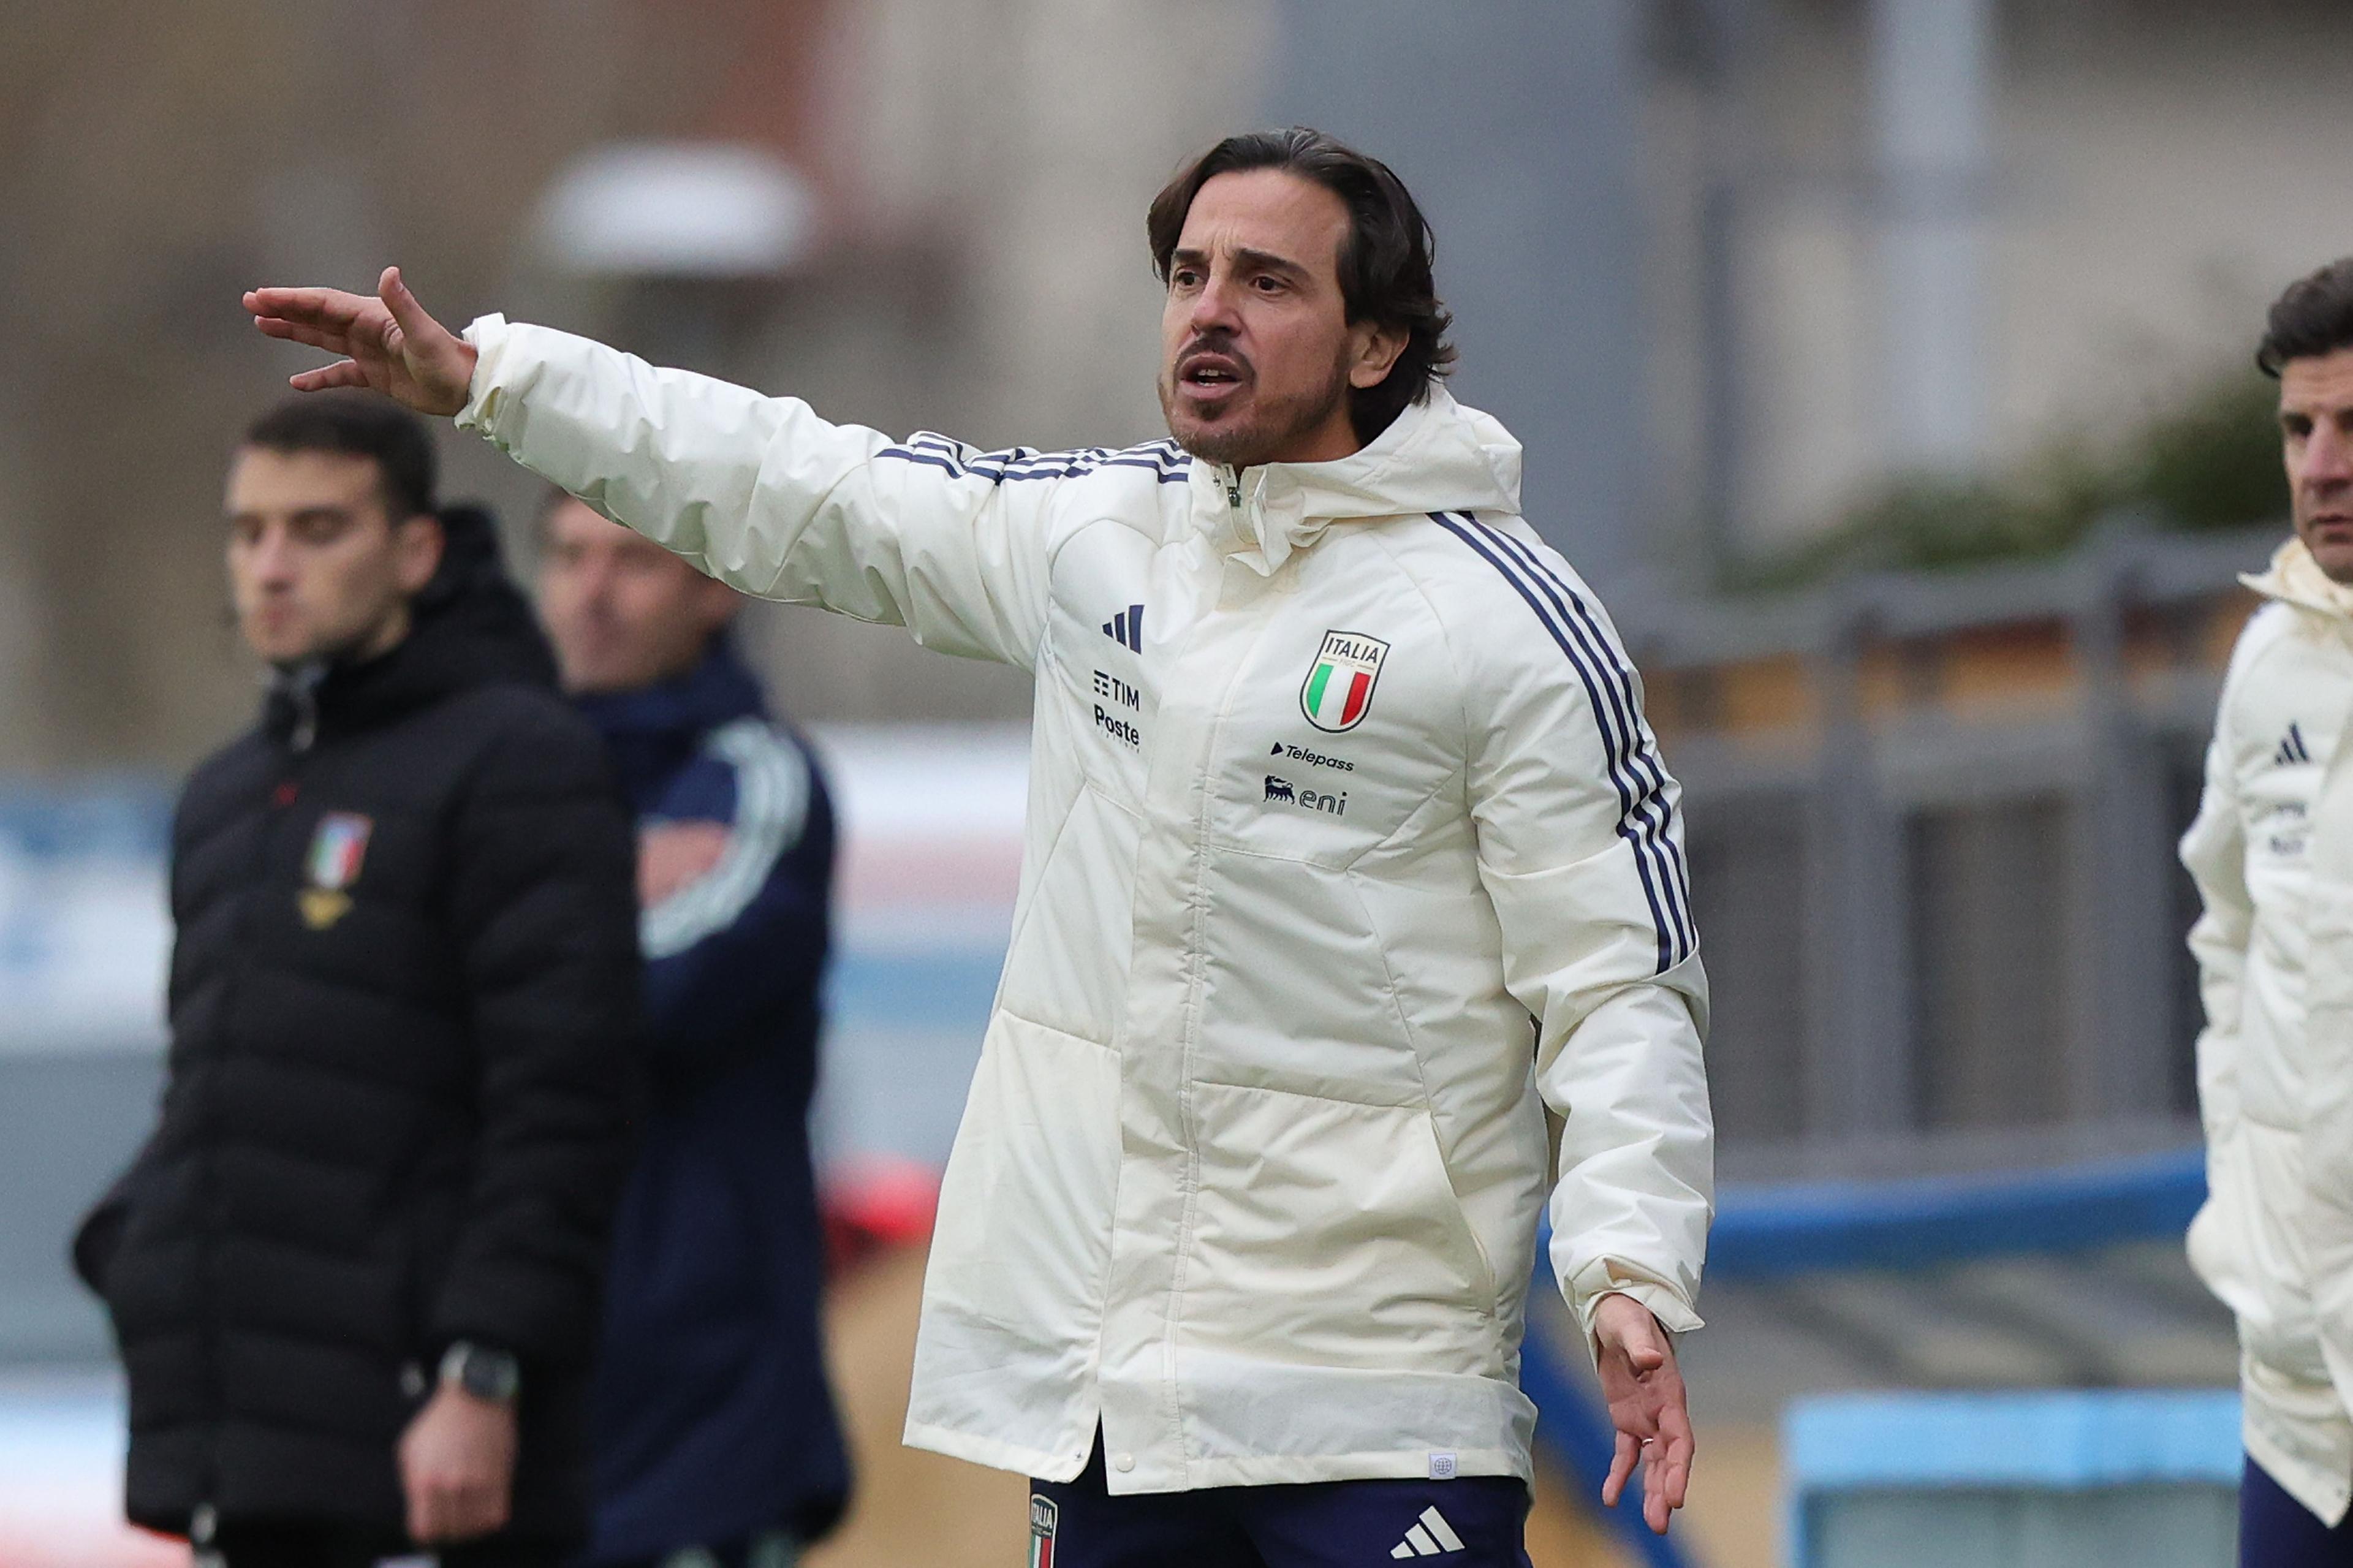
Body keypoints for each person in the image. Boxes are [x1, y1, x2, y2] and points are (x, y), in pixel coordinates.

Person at [245, 126, 1713, 1566]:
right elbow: (800, 483)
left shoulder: (1510, 624)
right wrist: (498, 382)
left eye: (1267, 282)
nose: (1210, 310)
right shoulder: (1098, 537)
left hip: (1378, 1404)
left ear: (1377, 343)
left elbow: (1619, 982)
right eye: (1189, 273)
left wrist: (1628, 1267)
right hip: (1108, 1410)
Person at [70, 395, 642, 1568]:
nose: (272, 567)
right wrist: (137, 1246)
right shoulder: (225, 796)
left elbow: (563, 1109)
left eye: (317, 529)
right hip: (248, 1456)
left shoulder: (520, 761)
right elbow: (218, 1087)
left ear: (416, 550)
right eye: (249, 532)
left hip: (433, 1466)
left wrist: (485, 1373)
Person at [534, 491, 851, 1568]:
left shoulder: (761, 781)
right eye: (568, 558)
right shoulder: (502, 783)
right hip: (525, 1413)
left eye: (630, 561)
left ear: (714, 586)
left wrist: (506, 916)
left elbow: (630, 1010)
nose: (591, 594)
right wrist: (602, 886)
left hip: (707, 1429)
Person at [2181, 256, 2353, 1568]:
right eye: (2301, 428)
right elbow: (2228, 933)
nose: (2323, 466)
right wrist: (2244, 1190)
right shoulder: (2270, 658)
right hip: (2298, 1392)